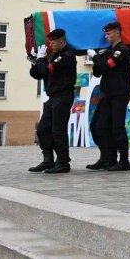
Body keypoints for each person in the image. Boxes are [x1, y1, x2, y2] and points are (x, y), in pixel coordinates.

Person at [86, 21, 130, 171]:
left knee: (117, 128)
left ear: (118, 32)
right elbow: (98, 72)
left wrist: (95, 58)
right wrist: (98, 57)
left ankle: (124, 161)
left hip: (119, 94)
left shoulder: (122, 50)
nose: (106, 36)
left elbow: (107, 67)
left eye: (108, 33)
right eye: (105, 34)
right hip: (107, 94)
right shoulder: (108, 52)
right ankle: (107, 157)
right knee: (97, 126)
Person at [28, 28, 77, 174]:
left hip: (63, 96)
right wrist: (34, 61)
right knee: (43, 129)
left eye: (53, 41)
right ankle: (48, 160)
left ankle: (63, 162)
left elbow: (47, 70)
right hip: (53, 97)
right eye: (50, 41)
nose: (51, 44)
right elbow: (38, 73)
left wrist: (41, 60)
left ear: (62, 41)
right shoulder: (53, 55)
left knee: (58, 130)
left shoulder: (67, 55)